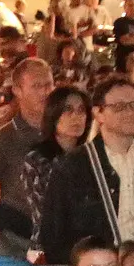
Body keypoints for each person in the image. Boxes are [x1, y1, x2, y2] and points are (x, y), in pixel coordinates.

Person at [40, 77, 134, 263]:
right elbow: (53, 236)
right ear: (99, 113)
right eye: (119, 107)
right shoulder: (73, 166)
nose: (129, 113)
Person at [0, 58, 55, 257]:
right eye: (36, 86)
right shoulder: (5, 139)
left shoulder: (67, 132)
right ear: (17, 90)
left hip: (58, 241)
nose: (45, 92)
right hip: (17, 239)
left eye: (49, 84)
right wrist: (0, 247)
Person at [20, 86, 93, 249]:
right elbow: (48, 208)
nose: (76, 117)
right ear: (54, 115)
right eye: (68, 110)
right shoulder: (37, 159)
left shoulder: (91, 156)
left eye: (81, 110)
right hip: (50, 247)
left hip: (87, 246)